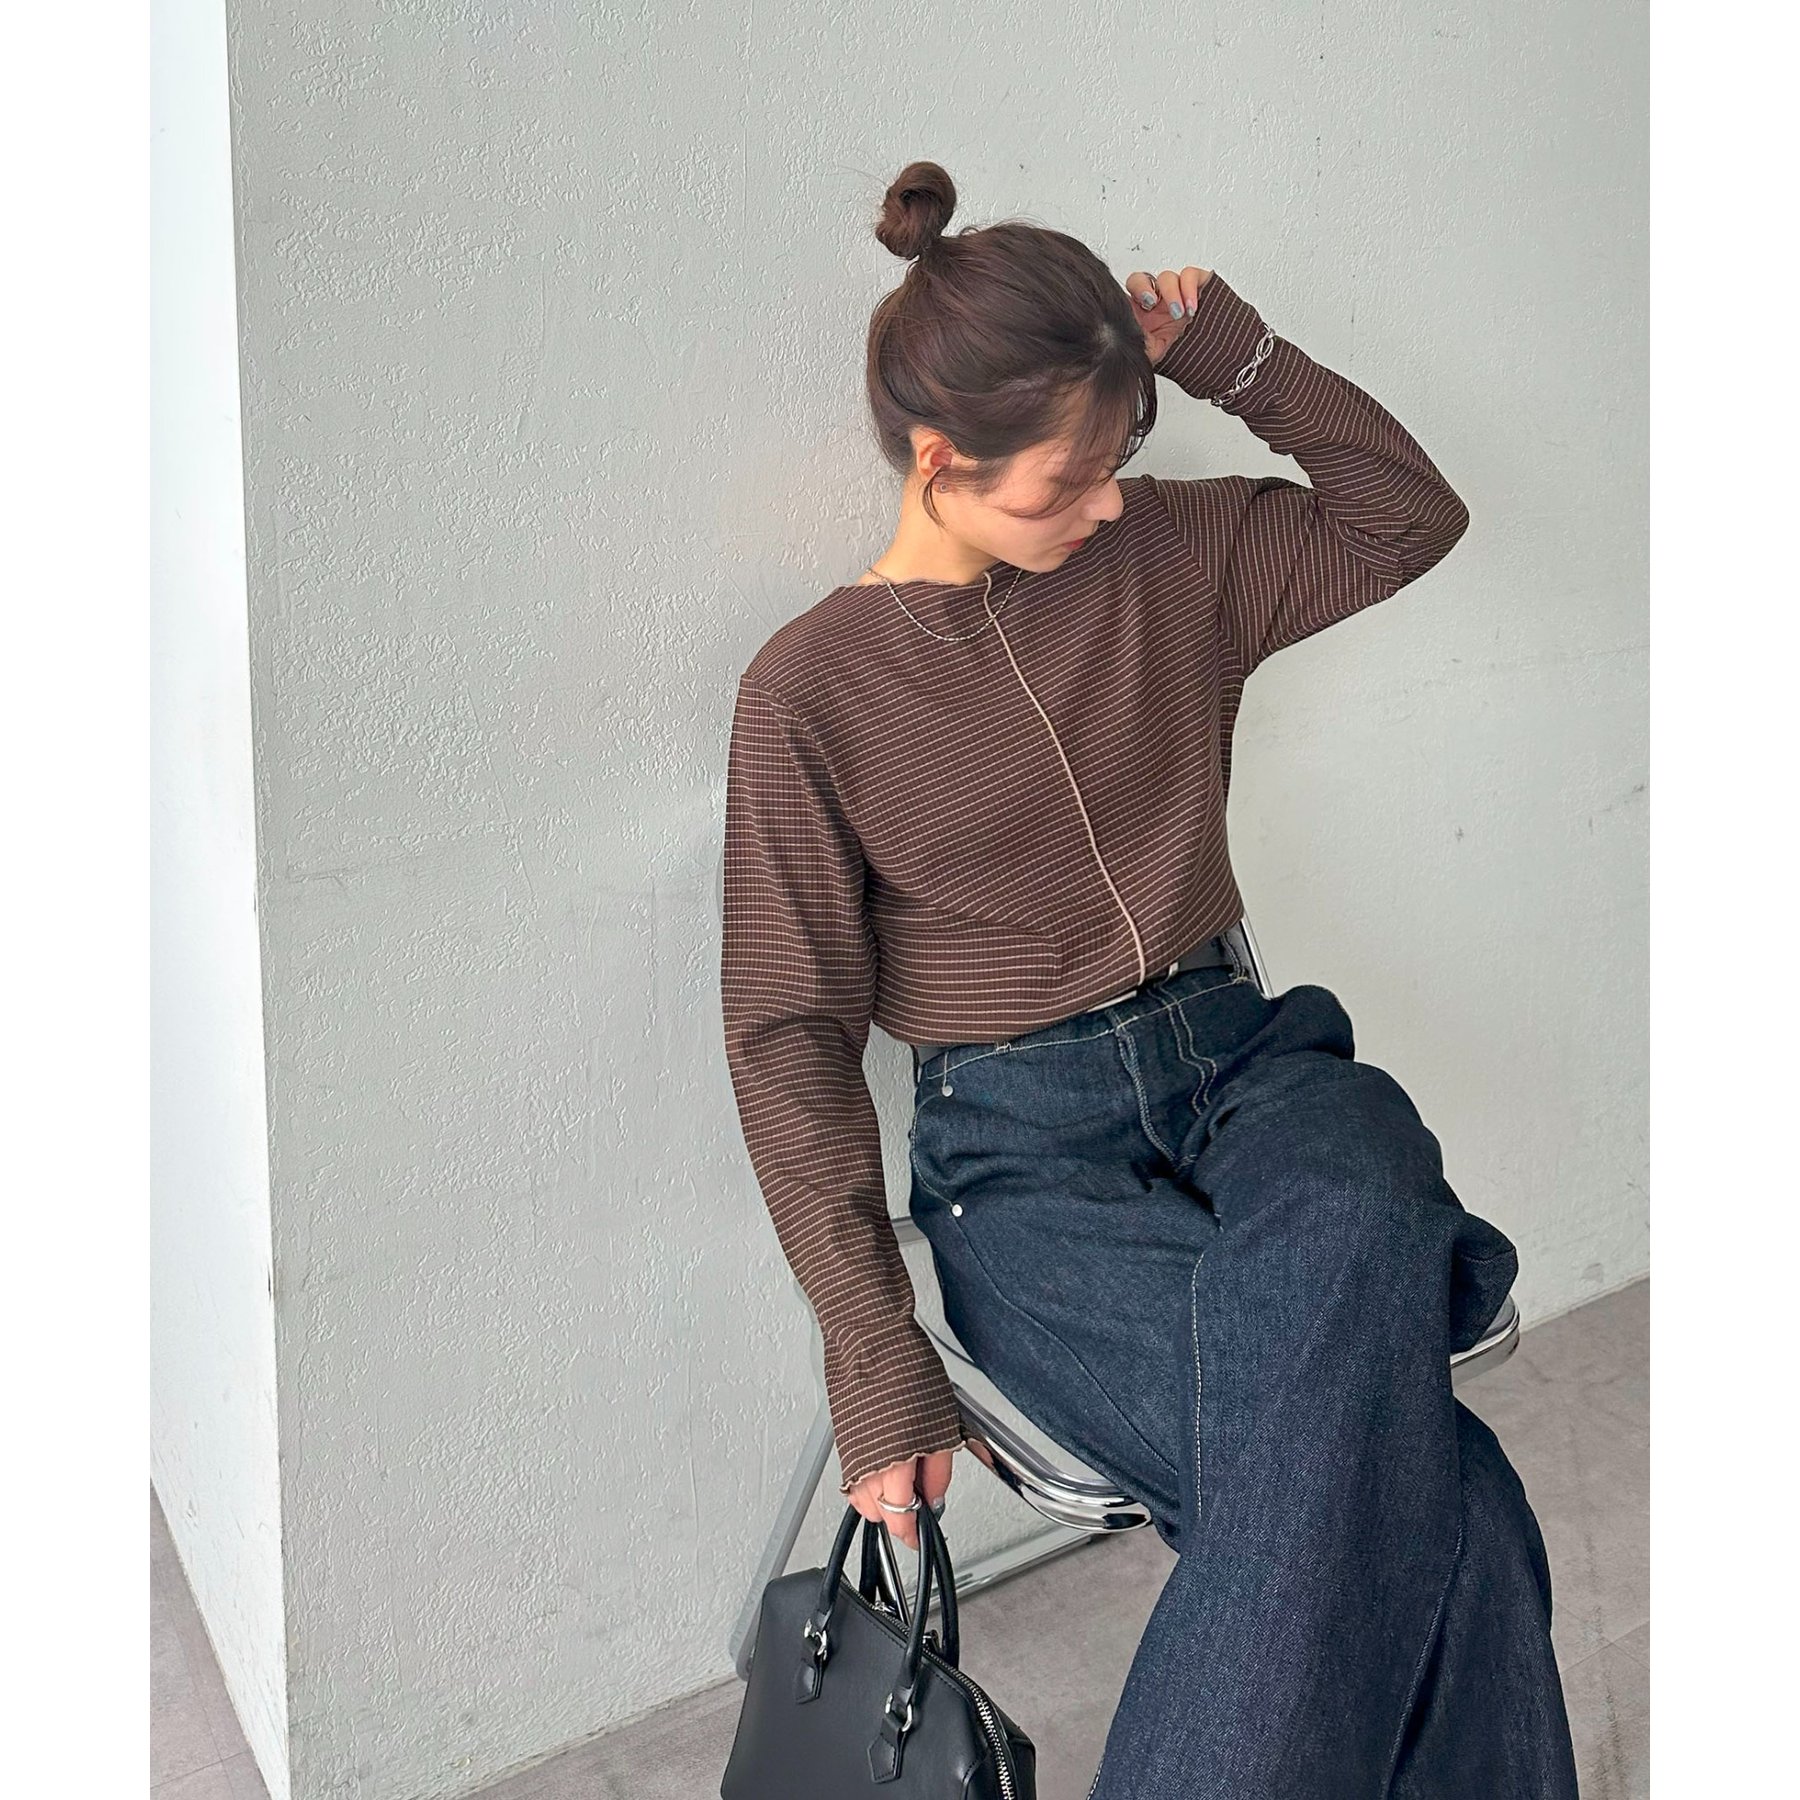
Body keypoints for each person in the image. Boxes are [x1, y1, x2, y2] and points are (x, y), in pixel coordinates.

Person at [719, 159, 1579, 1797]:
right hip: (1024, 1158)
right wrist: (873, 1346)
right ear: (938, 460)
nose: (1110, 505)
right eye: (1070, 479)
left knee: (1367, 1202)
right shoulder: (810, 692)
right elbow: (787, 1036)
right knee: (1445, 1500)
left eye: (1123, 460)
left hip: (1251, 1062)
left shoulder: (1170, 558)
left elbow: (1406, 520)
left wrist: (1235, 355)